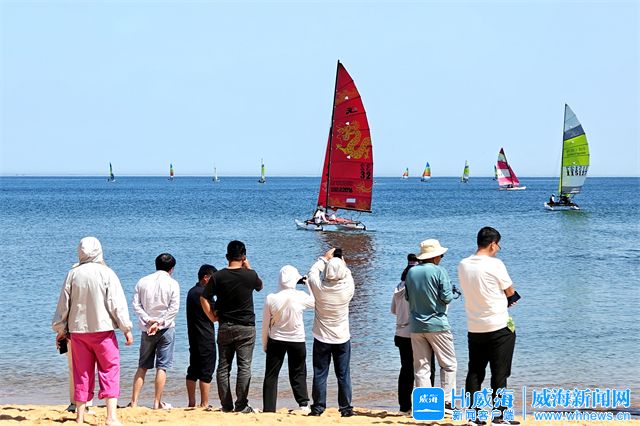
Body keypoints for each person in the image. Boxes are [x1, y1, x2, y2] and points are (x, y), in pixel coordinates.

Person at [52, 236, 133, 425]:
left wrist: (60, 328)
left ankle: (80, 417)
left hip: (78, 332)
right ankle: (111, 417)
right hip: (103, 330)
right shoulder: (107, 273)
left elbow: (64, 304)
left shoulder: (73, 274)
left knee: (81, 372)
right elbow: (116, 304)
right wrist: (126, 328)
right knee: (109, 370)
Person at [458, 227, 520, 426]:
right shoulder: (496, 264)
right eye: (498, 245)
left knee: (475, 371)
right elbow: (510, 292)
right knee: (500, 372)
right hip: (498, 325)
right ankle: (499, 416)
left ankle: (473, 416)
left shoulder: (463, 264)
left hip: (475, 326)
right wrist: (509, 298)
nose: (498, 248)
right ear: (493, 244)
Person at [201, 240, 263, 413]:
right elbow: (260, 286)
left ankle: (226, 405)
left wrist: (212, 316)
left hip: (225, 326)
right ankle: (241, 404)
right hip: (246, 327)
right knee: (244, 367)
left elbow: (204, 297)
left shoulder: (218, 276)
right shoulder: (250, 275)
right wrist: (248, 267)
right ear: (243, 257)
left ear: (227, 256)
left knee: (223, 367)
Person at [404, 239, 457, 414]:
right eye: (440, 255)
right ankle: (447, 402)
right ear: (434, 257)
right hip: (437, 324)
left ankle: (426, 405)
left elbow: (407, 297)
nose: (441, 258)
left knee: (422, 367)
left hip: (416, 325)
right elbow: (447, 297)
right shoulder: (440, 271)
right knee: (448, 364)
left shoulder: (411, 272)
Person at [307, 248, 355, 417]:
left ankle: (318, 407)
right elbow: (347, 274)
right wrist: (341, 263)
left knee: (320, 373)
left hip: (321, 337)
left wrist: (324, 259)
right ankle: (346, 409)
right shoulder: (347, 289)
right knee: (343, 374)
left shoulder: (319, 288)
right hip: (341, 338)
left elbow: (312, 273)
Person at [129, 253, 180, 410]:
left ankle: (134, 402)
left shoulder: (142, 281)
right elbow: (174, 309)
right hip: (165, 328)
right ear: (171, 269)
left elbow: (136, 305)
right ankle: (157, 403)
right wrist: (159, 323)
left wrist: (149, 320)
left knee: (142, 365)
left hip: (147, 329)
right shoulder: (173, 284)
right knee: (162, 367)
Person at [261, 265, 315, 413]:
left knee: (271, 375)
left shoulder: (271, 298)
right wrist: (308, 284)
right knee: (298, 372)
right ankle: (303, 404)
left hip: (276, 340)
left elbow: (265, 324)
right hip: (297, 340)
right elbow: (314, 302)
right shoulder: (300, 296)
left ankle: (269, 408)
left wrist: (264, 344)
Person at [391, 254, 421, 415]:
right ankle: (424, 405)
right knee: (425, 369)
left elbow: (393, 310)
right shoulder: (417, 287)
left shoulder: (399, 287)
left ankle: (404, 407)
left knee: (406, 370)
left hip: (401, 333)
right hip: (417, 333)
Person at [186, 264, 218, 408]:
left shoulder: (192, 291)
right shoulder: (204, 294)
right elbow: (215, 315)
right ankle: (204, 403)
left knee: (193, 369)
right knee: (206, 370)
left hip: (193, 336)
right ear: (206, 278)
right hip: (205, 336)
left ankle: (191, 402)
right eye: (213, 279)